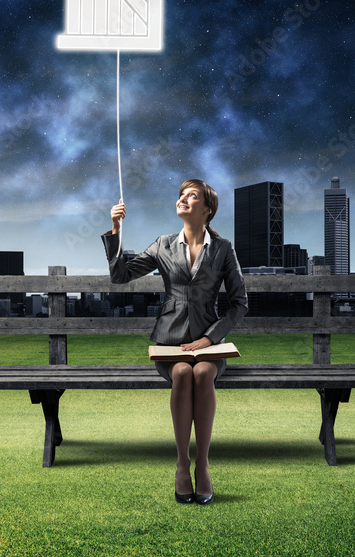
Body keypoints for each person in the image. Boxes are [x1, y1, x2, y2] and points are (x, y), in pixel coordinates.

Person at [102, 179, 247, 505]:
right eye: (181, 194)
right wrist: (115, 229)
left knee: (201, 373)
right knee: (182, 373)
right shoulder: (163, 244)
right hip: (169, 343)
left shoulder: (223, 250)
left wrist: (211, 337)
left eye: (191, 195)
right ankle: (183, 465)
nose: (182, 198)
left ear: (206, 210)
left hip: (209, 344)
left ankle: (204, 465)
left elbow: (240, 304)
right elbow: (120, 275)